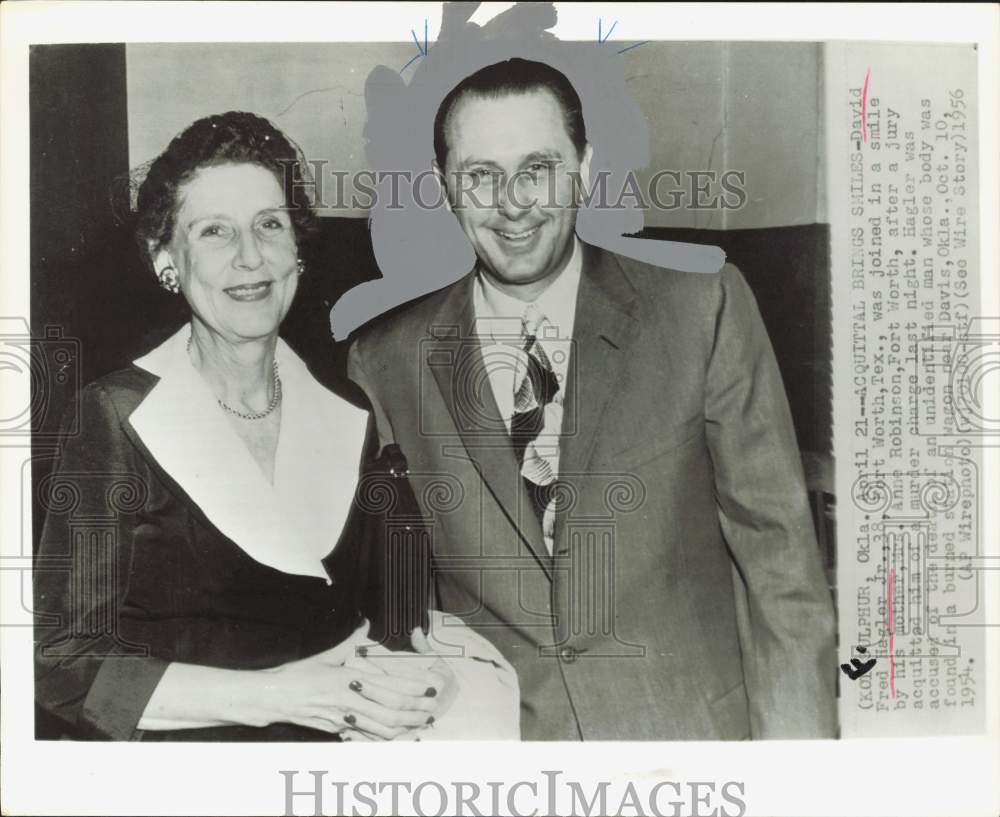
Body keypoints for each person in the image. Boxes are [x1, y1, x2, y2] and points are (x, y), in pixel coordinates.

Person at [347, 58, 837, 740]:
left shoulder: (703, 311)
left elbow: (781, 568)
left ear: (584, 165)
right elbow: (402, 596)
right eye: (480, 175)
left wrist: (798, 777)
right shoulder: (385, 360)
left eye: (538, 167)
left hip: (689, 747)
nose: (511, 202)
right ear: (442, 186)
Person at [33, 111, 519, 742]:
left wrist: (423, 672)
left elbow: (395, 610)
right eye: (214, 232)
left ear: (297, 249)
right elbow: (63, 664)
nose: (250, 257)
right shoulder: (114, 416)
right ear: (166, 263)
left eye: (269, 224)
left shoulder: (350, 408)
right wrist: (282, 695)